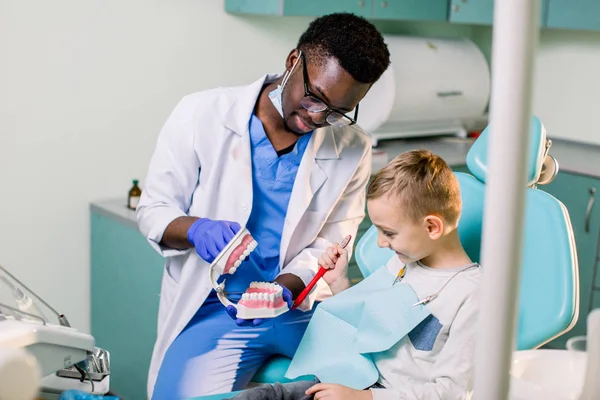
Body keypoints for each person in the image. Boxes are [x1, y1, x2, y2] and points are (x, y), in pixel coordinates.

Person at [136, 12, 391, 399]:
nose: (317, 118)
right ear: (293, 63)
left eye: (338, 113)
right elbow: (154, 210)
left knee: (380, 385)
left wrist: (285, 288)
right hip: (217, 309)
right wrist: (195, 228)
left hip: (300, 309)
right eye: (315, 98)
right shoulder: (201, 114)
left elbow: (333, 241)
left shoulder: (354, 146)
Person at [231, 150, 482, 400]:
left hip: (377, 395)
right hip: (354, 379)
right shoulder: (404, 264)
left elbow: (450, 393)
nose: (381, 243)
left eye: (389, 233)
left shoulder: (472, 295)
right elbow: (369, 323)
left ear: (431, 227)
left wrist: (363, 397)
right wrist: (338, 282)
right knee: (266, 396)